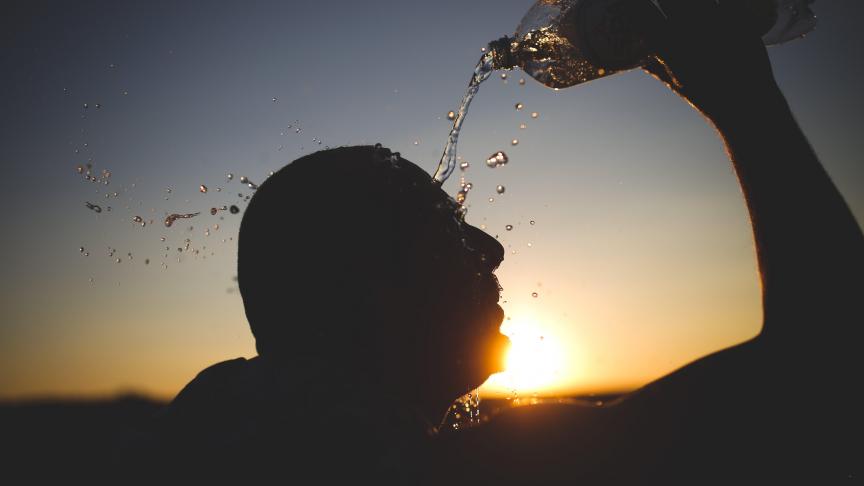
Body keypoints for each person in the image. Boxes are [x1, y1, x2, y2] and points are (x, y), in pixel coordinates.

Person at [159, 0, 861, 482]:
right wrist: (743, 96)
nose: (490, 251)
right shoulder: (449, 471)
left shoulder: (222, 436)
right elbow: (828, 368)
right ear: (358, 291)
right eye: (443, 231)